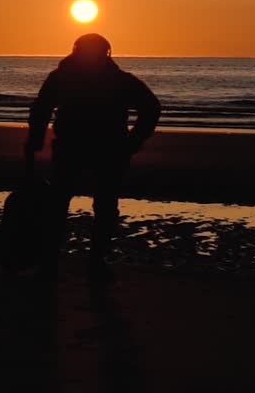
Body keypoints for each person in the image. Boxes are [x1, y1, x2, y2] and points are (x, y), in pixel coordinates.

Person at [24, 33, 161, 282]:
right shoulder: (109, 80)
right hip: (87, 148)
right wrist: (133, 141)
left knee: (87, 206)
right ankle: (77, 263)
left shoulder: (71, 78)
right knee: (73, 206)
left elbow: (151, 107)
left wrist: (133, 141)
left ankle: (79, 263)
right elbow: (42, 107)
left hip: (97, 149)